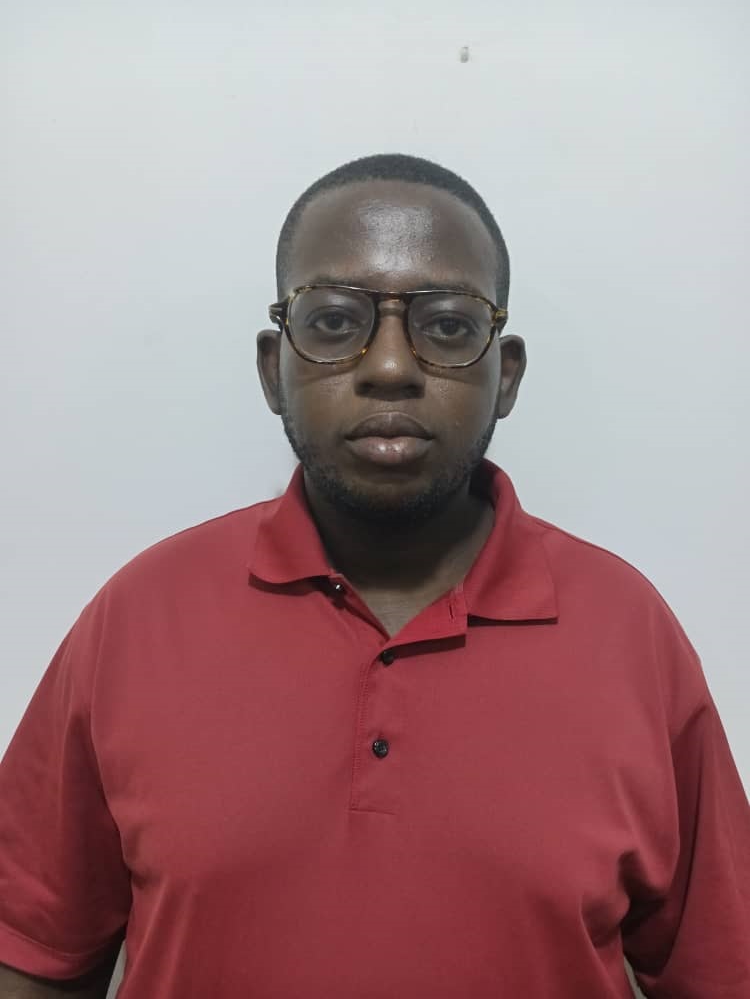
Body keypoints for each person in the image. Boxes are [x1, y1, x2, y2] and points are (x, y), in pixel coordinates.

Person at [0, 153, 748, 999]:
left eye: (448, 326)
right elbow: (31, 956)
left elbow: (721, 968)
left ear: (505, 376)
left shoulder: (628, 634)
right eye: (332, 321)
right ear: (271, 370)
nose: (390, 366)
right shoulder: (139, 619)